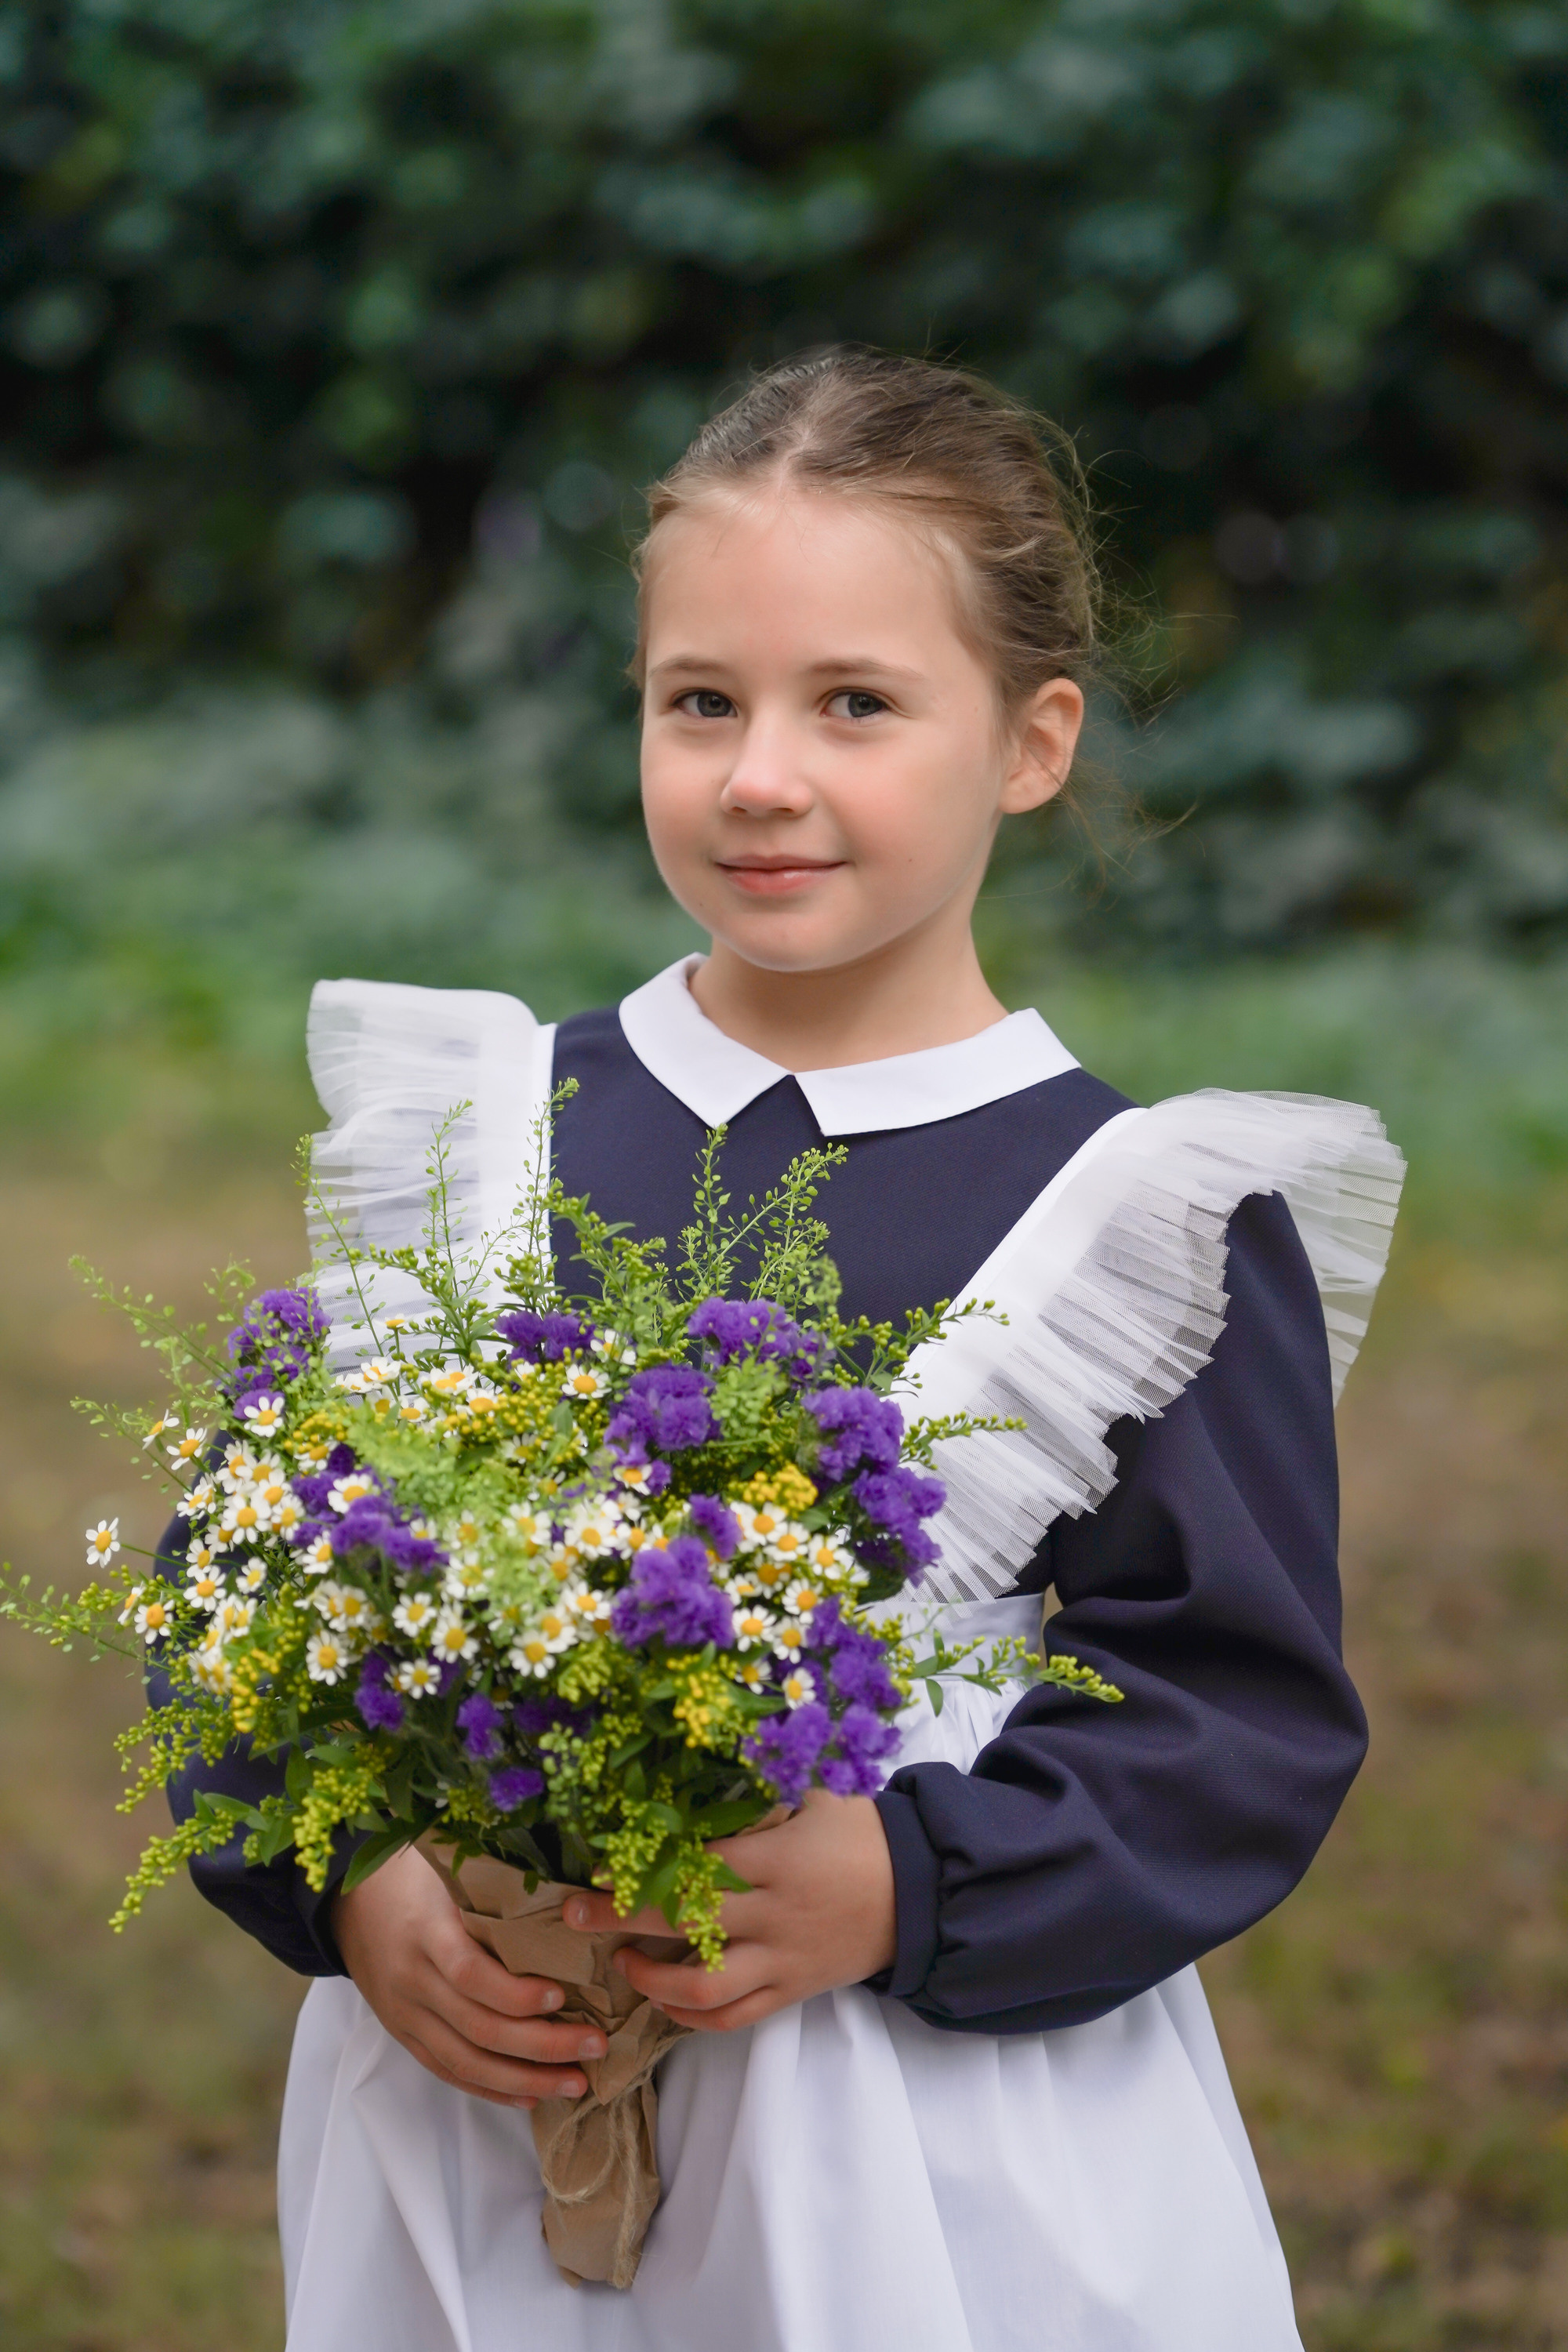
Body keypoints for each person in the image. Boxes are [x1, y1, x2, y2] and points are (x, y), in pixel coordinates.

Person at [161, 349, 1403, 2350]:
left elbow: (1230, 1720)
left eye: (855, 705)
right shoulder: (487, 1123)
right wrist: (355, 1876)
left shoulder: (1147, 1223)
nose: (758, 775)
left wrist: (912, 1882)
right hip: (481, 2129)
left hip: (921, 2155)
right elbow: (257, 1568)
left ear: (1030, 740)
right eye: (698, 703)